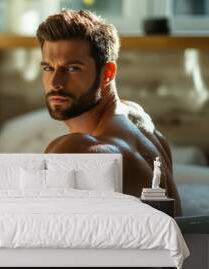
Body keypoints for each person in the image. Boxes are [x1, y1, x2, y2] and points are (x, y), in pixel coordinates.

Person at [37, 10, 180, 214]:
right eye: (48, 68)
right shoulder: (136, 115)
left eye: (72, 69)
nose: (55, 82)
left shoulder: (74, 150)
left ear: (108, 73)